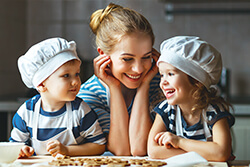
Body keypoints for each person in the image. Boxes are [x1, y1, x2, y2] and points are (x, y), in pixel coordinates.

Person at [77, 3, 164, 156]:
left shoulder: (161, 84)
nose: (139, 69)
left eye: (146, 57)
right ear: (103, 54)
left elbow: (140, 148)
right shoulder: (89, 95)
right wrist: (114, 88)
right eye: (127, 59)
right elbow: (121, 151)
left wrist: (144, 86)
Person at [9, 37, 106, 158]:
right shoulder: (27, 113)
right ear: (41, 84)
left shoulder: (80, 110)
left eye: (77, 74)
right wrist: (23, 150)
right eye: (66, 75)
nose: (75, 81)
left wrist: (67, 150)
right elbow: (15, 146)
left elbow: (99, 145)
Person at [147, 36, 235, 161]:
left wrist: (178, 142)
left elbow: (221, 153)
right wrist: (207, 153)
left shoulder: (214, 112)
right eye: (162, 75)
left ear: (196, 80)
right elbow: (153, 151)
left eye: (170, 74)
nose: (163, 82)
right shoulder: (165, 110)